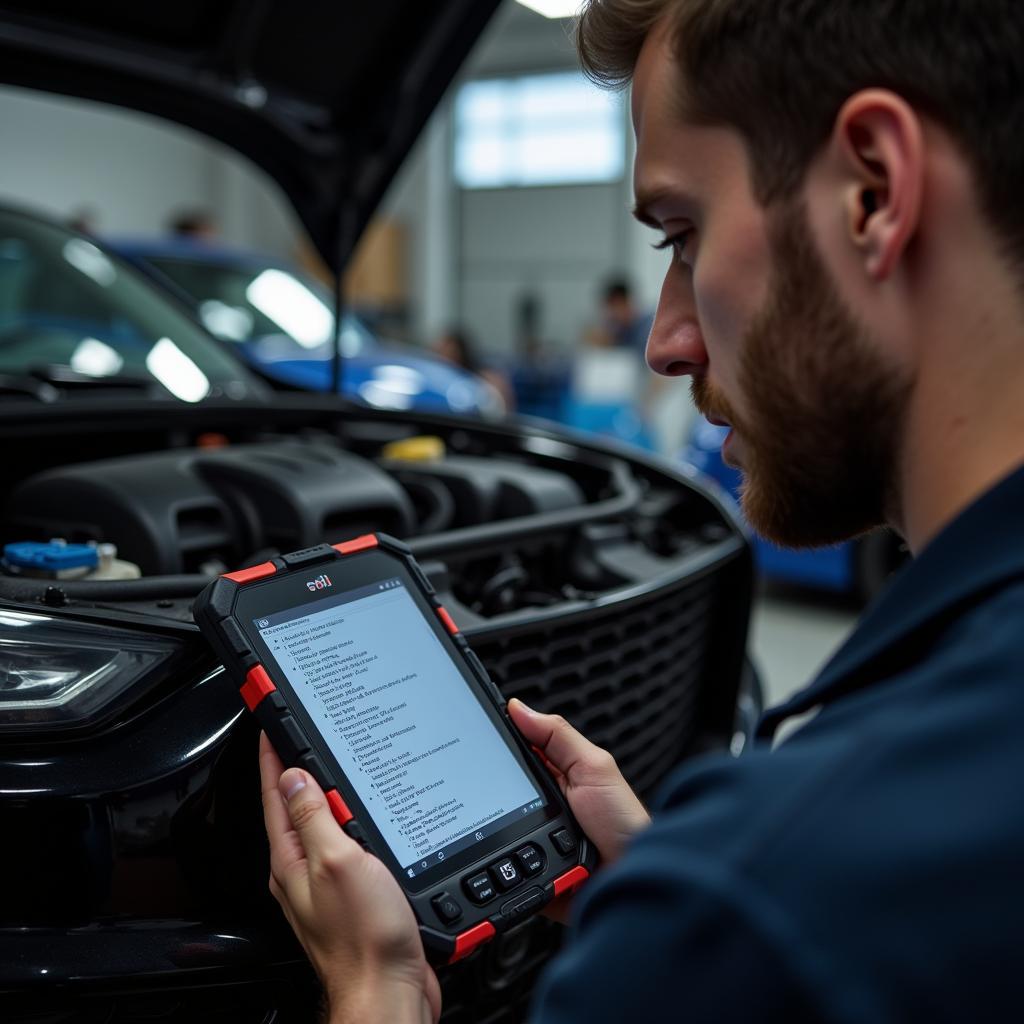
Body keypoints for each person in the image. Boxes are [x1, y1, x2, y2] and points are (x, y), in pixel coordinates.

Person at [257, 1, 1024, 1020]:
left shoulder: (774, 899)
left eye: (681, 233)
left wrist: (377, 986)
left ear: (872, 192)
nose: (666, 341)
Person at [583, 276, 654, 354]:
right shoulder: (622, 329)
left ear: (624, 302)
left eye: (613, 307)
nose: (611, 315)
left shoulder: (647, 327)